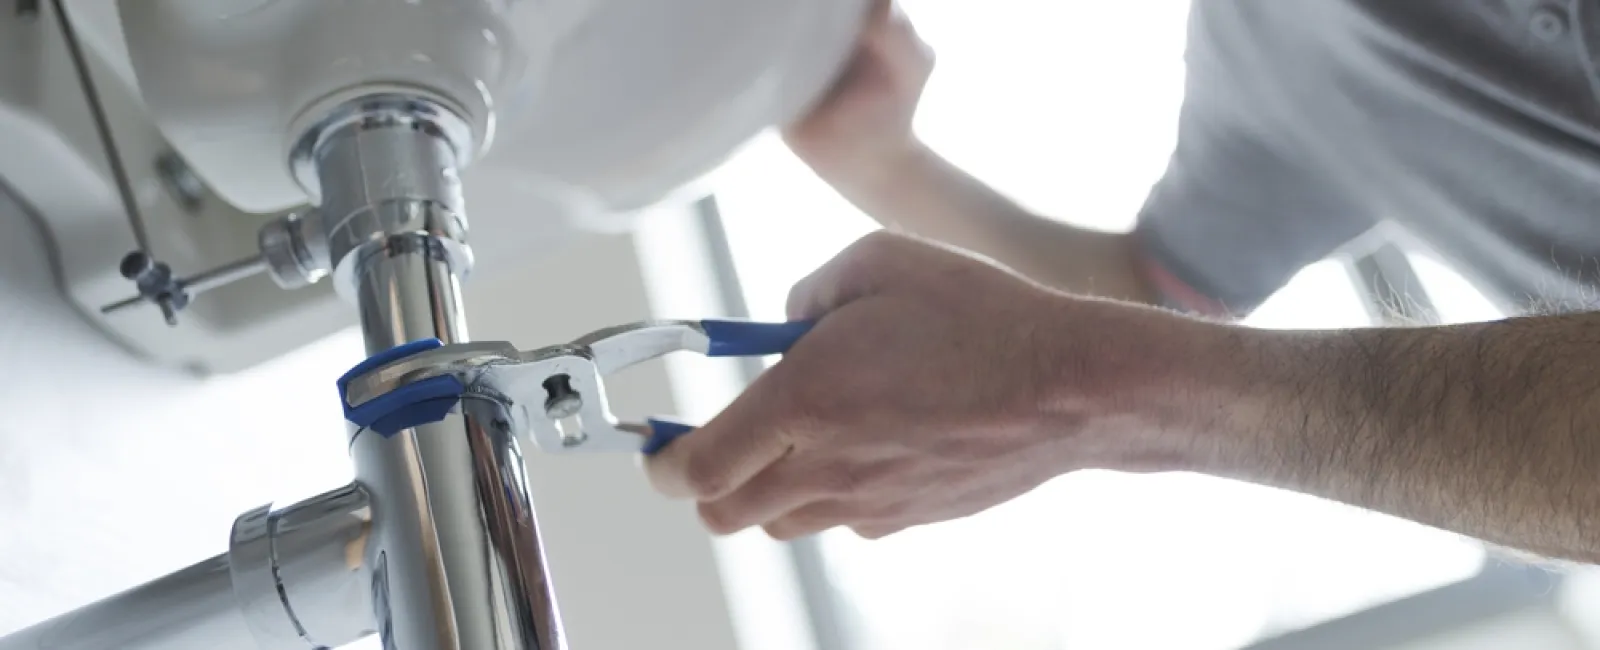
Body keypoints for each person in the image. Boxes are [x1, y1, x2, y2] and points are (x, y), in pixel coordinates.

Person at [645, 0, 1600, 564]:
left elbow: (1113, 348)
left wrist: (1086, 390)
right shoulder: (1269, 40)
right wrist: (882, 161)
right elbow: (1154, 294)